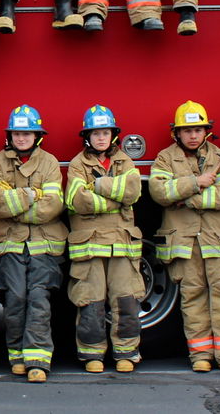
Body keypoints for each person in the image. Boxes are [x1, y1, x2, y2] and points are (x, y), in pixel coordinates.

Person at [149, 101, 220, 373]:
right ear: (177, 133)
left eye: (198, 129)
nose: (193, 135)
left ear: (207, 131)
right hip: (185, 242)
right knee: (192, 296)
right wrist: (197, 182)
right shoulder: (164, 159)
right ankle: (201, 355)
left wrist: (188, 199)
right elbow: (159, 193)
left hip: (218, 239)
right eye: (187, 130)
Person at [0, 105, 66, 382]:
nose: (21, 138)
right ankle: (17, 355)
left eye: (27, 133)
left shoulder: (49, 162)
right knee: (15, 298)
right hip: (9, 245)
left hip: (44, 244)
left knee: (39, 298)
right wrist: (32, 195)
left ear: (37, 136)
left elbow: (53, 205)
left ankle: (38, 361)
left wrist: (15, 202)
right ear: (11, 135)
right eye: (17, 133)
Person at [65, 105, 144, 373]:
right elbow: (77, 201)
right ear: (87, 136)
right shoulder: (78, 164)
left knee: (126, 299)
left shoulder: (125, 161)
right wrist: (116, 200)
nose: (101, 138)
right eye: (96, 133)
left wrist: (97, 186)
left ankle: (126, 352)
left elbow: (132, 192)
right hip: (89, 246)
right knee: (90, 301)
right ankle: (92, 355)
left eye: (106, 132)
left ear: (113, 135)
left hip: (122, 244)